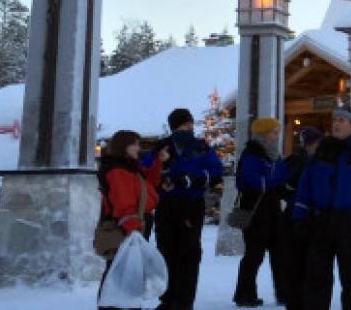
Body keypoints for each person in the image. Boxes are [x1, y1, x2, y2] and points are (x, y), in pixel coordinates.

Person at [292, 105, 351, 310]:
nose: (336, 124)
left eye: (342, 121)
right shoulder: (321, 152)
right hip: (321, 221)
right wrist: (299, 217)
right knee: (316, 276)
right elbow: (305, 187)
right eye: (334, 120)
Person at [144, 108, 223, 310]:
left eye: (190, 124)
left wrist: (191, 179)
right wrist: (162, 179)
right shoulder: (161, 147)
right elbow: (146, 171)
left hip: (191, 205)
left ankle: (183, 302)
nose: (188, 128)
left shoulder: (201, 147)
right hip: (166, 205)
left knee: (188, 254)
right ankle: (168, 299)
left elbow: (216, 172)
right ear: (174, 126)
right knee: (166, 252)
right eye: (184, 125)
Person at [98, 130, 165, 310]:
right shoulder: (117, 170)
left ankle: (125, 306)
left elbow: (148, 185)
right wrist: (133, 229)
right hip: (126, 227)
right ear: (123, 146)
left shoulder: (130, 167)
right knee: (120, 270)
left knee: (127, 270)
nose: (138, 147)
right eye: (134, 144)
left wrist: (159, 162)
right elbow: (123, 202)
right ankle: (115, 307)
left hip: (136, 224)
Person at [232, 118, 287, 308]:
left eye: (278, 132)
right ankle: (244, 294)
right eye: (273, 132)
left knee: (280, 253)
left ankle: (284, 293)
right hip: (255, 210)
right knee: (254, 254)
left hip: (272, 209)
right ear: (263, 135)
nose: (277, 136)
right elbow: (252, 181)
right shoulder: (251, 154)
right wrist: (276, 179)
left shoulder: (275, 155)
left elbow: (280, 177)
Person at [276, 126, 321, 310]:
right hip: (296, 217)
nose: (313, 147)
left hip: (312, 218)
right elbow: (282, 188)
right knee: (296, 264)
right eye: (311, 143)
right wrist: (291, 186)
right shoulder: (295, 161)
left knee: (308, 265)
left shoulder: (323, 162)